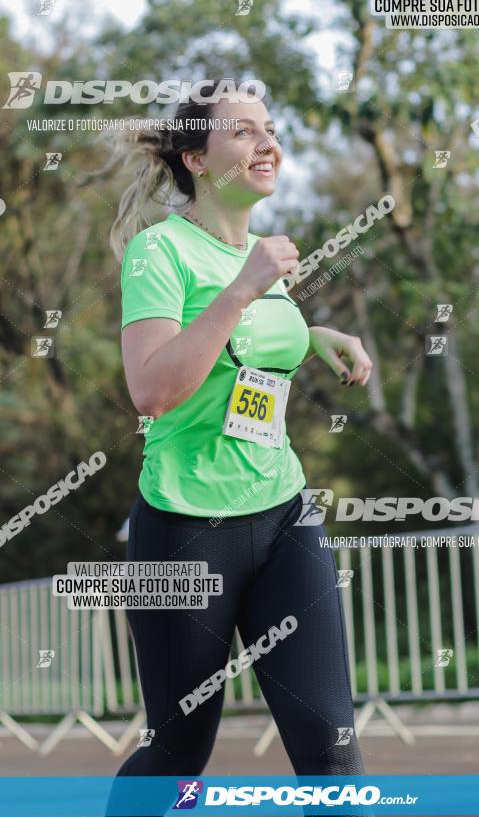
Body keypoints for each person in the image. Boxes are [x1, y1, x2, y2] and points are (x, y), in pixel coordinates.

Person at [107, 80, 373, 810]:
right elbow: (153, 390)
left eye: (270, 129)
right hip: (185, 527)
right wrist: (242, 292)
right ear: (196, 157)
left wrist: (314, 336)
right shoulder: (159, 253)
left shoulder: (261, 253)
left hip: (283, 514)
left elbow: (249, 350)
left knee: (331, 749)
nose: (267, 143)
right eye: (242, 132)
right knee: (177, 754)